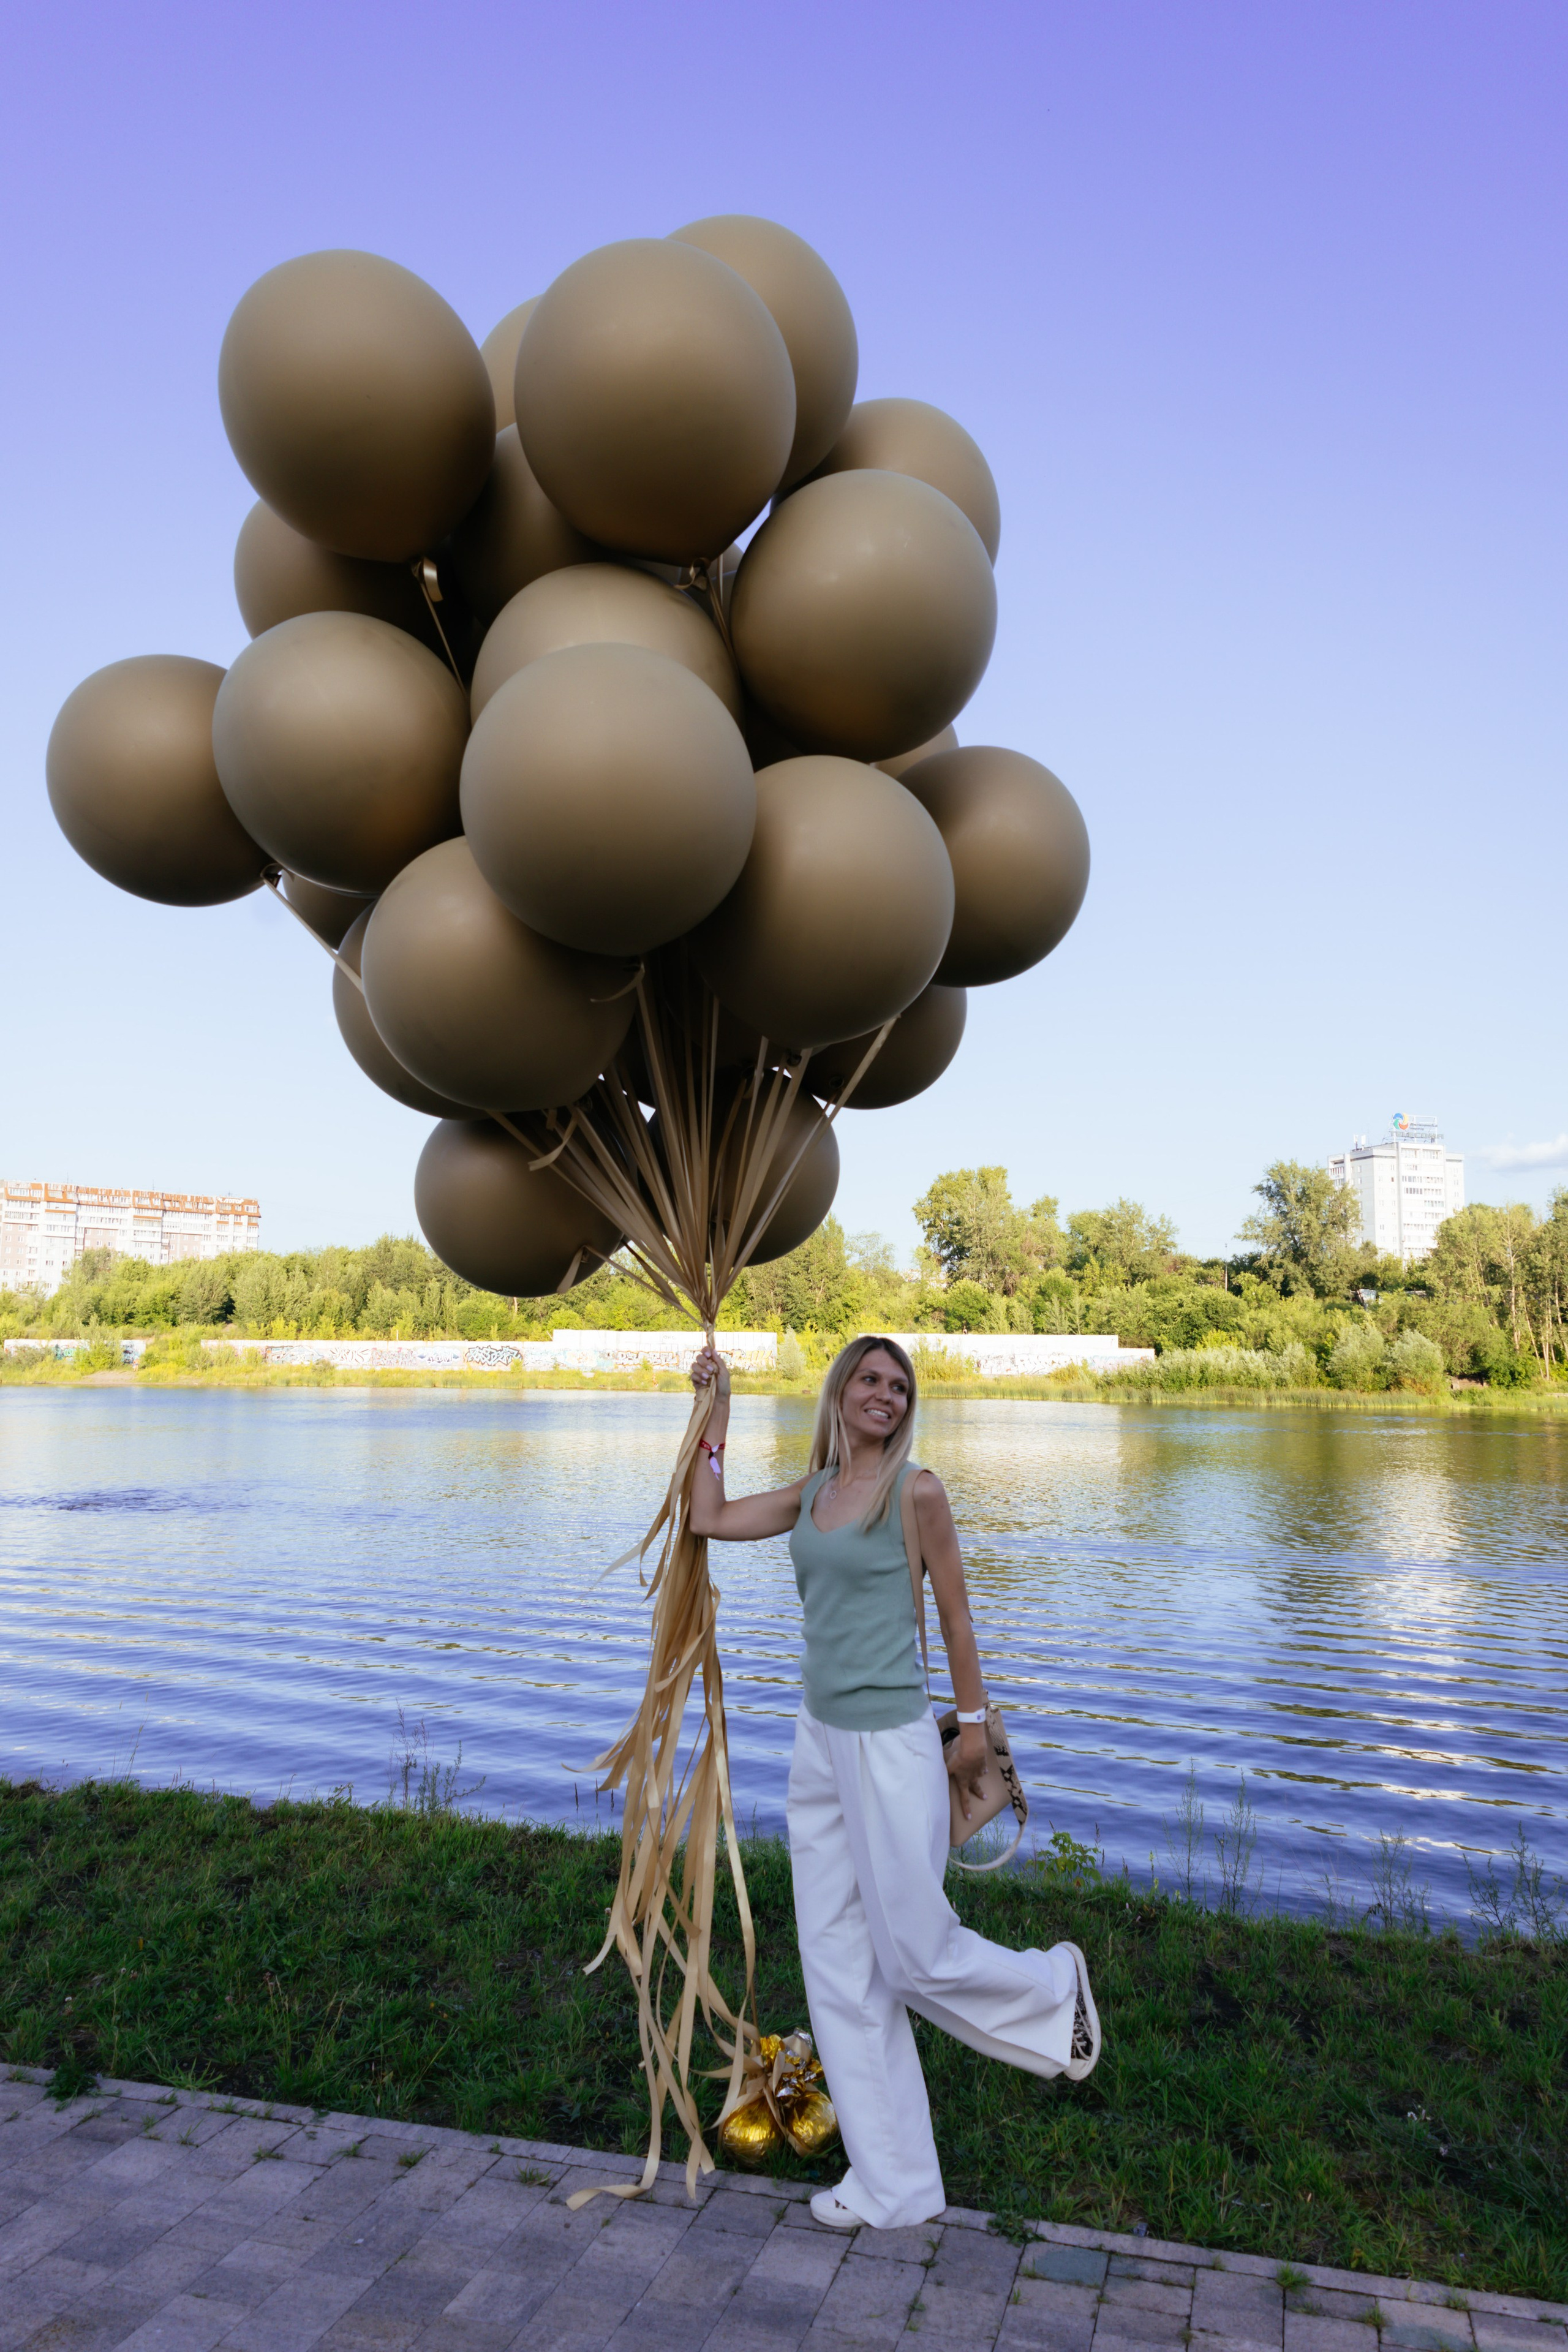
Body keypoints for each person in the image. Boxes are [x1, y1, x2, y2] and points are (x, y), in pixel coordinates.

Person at [688, 1331, 1100, 2232]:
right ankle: (895, 2183)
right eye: (871, 1380)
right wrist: (715, 1415)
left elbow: (955, 1618)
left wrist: (974, 1732)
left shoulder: (917, 1493)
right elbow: (707, 1518)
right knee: (838, 1965)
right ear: (840, 1392)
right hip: (818, 1743)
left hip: (894, 1745)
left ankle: (1054, 1991)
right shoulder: (811, 1496)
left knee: (913, 1950)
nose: (887, 1395)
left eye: (900, 1386)